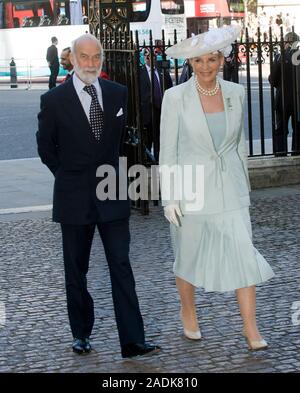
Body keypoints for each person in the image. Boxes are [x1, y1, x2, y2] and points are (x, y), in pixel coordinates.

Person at [36, 34, 160, 358]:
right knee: (76, 270)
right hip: (73, 197)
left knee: (121, 264)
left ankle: (132, 340)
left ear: (102, 59)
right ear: (74, 60)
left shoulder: (118, 93)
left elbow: (120, 143)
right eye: (85, 57)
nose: (91, 63)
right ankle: (81, 333)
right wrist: (68, 177)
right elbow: (46, 149)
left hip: (113, 194)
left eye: (96, 57)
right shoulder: (53, 100)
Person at [160, 26, 275, 350]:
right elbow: (168, 150)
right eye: (199, 61)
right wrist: (170, 197)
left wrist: (244, 189)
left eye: (212, 59)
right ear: (191, 63)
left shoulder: (236, 94)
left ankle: (250, 328)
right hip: (190, 191)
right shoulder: (175, 97)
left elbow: (238, 146)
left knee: (244, 255)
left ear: (222, 60)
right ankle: (188, 311)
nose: (206, 67)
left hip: (230, 191)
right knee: (188, 255)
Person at [268, 32, 300, 156]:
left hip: (282, 99)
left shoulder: (280, 57)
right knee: (298, 129)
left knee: (281, 129)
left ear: (286, 42)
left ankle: (280, 153)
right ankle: (296, 153)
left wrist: (280, 87)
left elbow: (273, 79)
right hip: (298, 100)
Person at [139, 49, 173, 161]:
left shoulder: (162, 71)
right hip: (147, 113)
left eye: (152, 55)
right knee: (148, 139)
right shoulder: (140, 73)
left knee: (161, 138)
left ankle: (160, 159)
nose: (149, 58)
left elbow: (169, 88)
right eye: (147, 56)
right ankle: (148, 160)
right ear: (144, 58)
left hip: (162, 110)